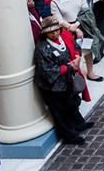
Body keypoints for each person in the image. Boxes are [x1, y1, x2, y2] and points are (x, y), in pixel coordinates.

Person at [33, 16, 90, 144]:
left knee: (71, 104)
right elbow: (46, 70)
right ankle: (69, 136)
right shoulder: (42, 48)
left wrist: (77, 57)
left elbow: (75, 46)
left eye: (56, 30)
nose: (55, 33)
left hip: (66, 81)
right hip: (52, 87)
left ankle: (78, 124)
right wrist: (67, 68)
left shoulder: (63, 37)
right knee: (60, 111)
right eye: (51, 31)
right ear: (45, 33)